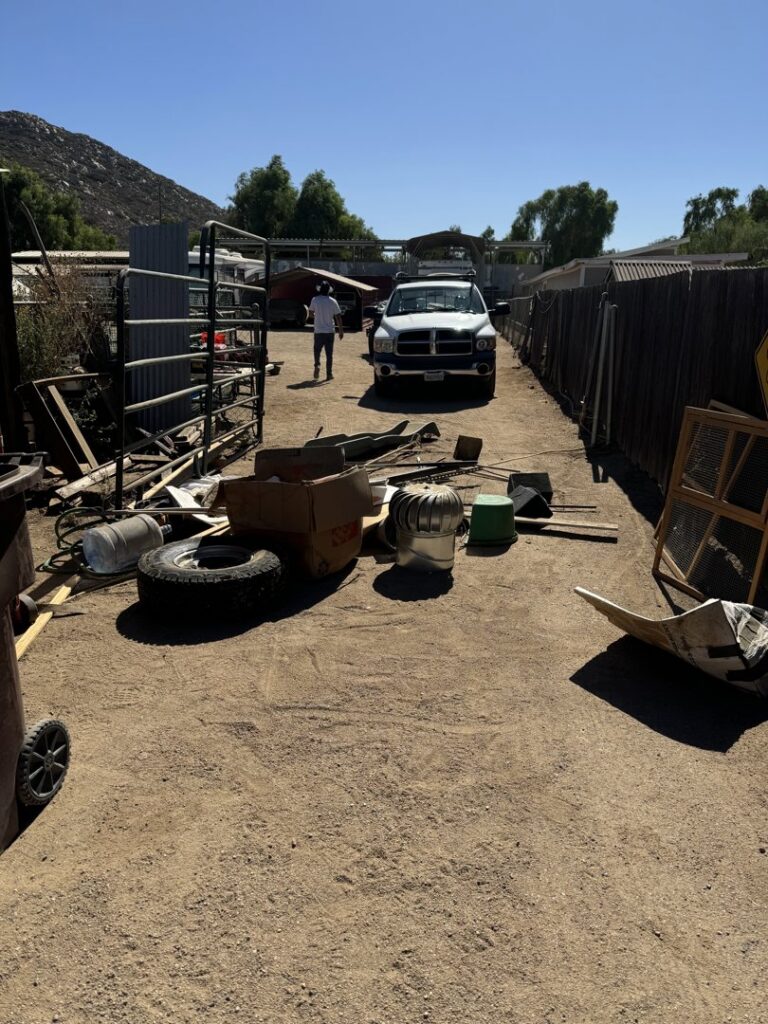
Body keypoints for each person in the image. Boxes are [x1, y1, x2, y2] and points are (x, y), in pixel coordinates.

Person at [308, 280, 344, 380]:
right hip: (329, 331)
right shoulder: (333, 301)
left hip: (318, 331)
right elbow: (338, 317)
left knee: (317, 350)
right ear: (328, 290)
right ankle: (329, 374)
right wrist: (341, 331)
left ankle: (317, 365)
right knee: (329, 354)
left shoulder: (315, 300)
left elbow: (310, 314)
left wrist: (317, 315)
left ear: (320, 290)